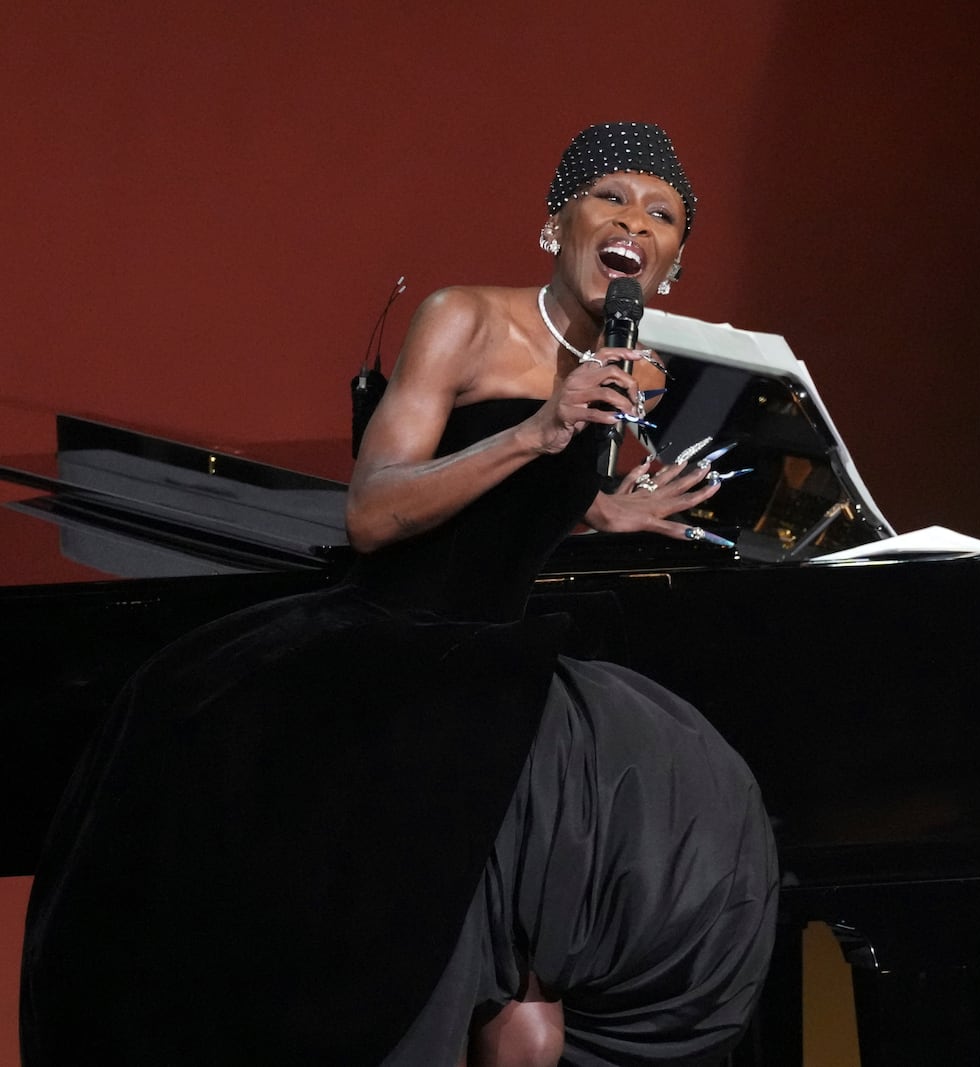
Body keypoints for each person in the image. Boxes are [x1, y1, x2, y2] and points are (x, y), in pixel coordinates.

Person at [22, 121, 779, 1067]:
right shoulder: (460, 317)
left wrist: (601, 509)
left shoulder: (643, 369)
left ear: (668, 266)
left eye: (661, 214)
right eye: (611, 197)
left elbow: (524, 508)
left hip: (498, 653)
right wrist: (534, 434)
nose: (634, 221)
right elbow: (373, 513)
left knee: (618, 878)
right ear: (557, 226)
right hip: (386, 635)